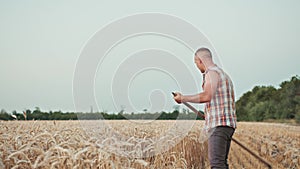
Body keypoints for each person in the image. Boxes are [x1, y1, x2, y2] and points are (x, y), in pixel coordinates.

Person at [173, 47, 237, 169]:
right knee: (222, 164)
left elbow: (207, 96)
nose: (197, 66)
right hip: (227, 125)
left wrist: (183, 98)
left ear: (200, 60)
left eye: (196, 63)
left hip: (219, 125)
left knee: (216, 164)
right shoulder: (223, 74)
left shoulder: (211, 73)